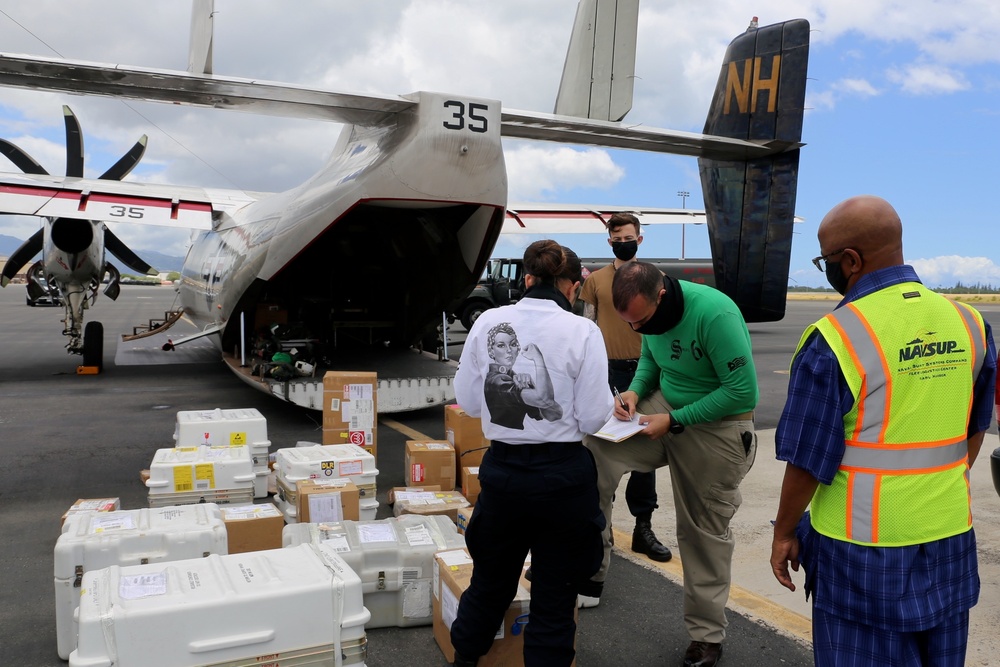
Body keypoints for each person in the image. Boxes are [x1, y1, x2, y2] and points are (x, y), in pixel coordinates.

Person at [770, 195, 997, 667]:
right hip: (950, 538)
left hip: (861, 556)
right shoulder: (969, 322)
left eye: (825, 260)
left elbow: (809, 458)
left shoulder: (836, 336)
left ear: (850, 261)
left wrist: (784, 531)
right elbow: (974, 429)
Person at [583, 260, 758, 667]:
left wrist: (675, 420)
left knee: (700, 532)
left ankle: (707, 637)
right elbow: (652, 360)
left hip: (717, 424)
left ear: (661, 295)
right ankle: (591, 567)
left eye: (642, 320)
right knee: (594, 450)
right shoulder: (648, 320)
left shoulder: (715, 313)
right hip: (666, 408)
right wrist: (633, 392)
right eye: (631, 325)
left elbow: (742, 392)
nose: (638, 330)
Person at [450, 240, 613, 667]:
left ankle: (466, 657)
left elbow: (467, 401)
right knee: (555, 594)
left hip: (503, 471)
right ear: (573, 287)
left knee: (489, 581)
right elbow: (595, 418)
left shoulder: (487, 321)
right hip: (562, 476)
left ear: (526, 278)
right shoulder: (583, 331)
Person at [579, 212, 672, 565]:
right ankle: (601, 531)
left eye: (628, 237)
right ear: (610, 242)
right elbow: (587, 325)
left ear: (640, 239)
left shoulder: (655, 278)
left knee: (645, 454)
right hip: (608, 374)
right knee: (604, 453)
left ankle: (642, 528)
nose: (623, 243)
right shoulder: (596, 281)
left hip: (648, 375)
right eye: (617, 240)